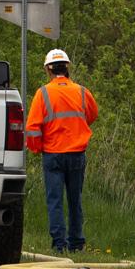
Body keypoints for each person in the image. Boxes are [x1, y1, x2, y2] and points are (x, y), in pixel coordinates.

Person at [25, 49, 99, 254]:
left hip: (53, 155)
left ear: (48, 69)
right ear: (67, 68)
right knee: (75, 200)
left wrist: (36, 148)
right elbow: (92, 115)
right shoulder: (82, 92)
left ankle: (59, 245)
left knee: (55, 200)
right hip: (76, 154)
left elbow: (32, 127)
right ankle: (76, 243)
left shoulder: (43, 93)